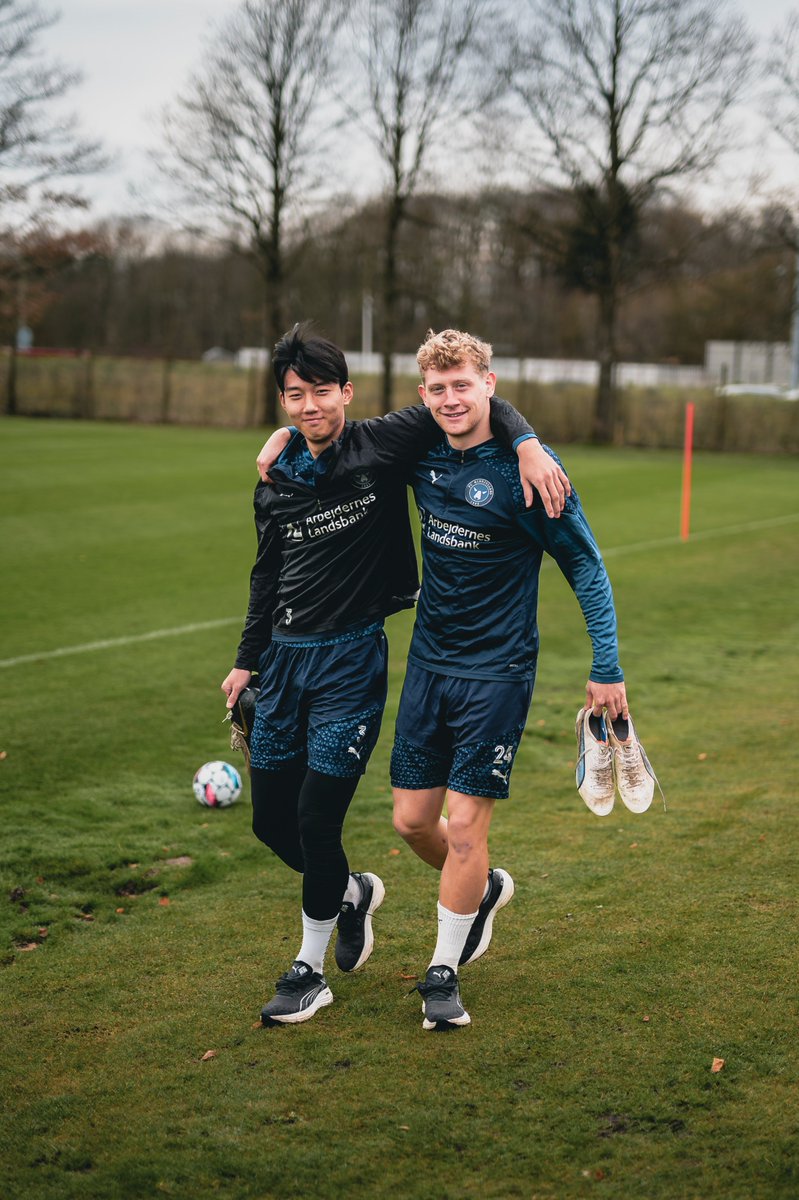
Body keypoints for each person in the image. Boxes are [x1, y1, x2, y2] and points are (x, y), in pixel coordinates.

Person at [222, 323, 569, 1026]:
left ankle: (308, 971)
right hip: (284, 661)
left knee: (319, 817)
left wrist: (529, 443)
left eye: (322, 391)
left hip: (352, 660)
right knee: (270, 823)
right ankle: (351, 893)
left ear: (346, 392)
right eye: (295, 395)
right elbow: (267, 575)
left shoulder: (384, 441)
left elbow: (470, 399)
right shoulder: (276, 478)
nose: (310, 405)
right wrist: (246, 658)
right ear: (283, 401)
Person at [389, 328, 631, 1031]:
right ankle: (484, 888)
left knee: (464, 826)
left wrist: (605, 664)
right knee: (411, 822)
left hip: (496, 671)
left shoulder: (532, 469)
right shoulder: (421, 450)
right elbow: (338, 431)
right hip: (428, 663)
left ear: (489, 383)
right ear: (422, 395)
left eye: (462, 384)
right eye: (436, 389)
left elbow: (583, 564)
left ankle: (442, 968)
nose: (450, 398)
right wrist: (287, 433)